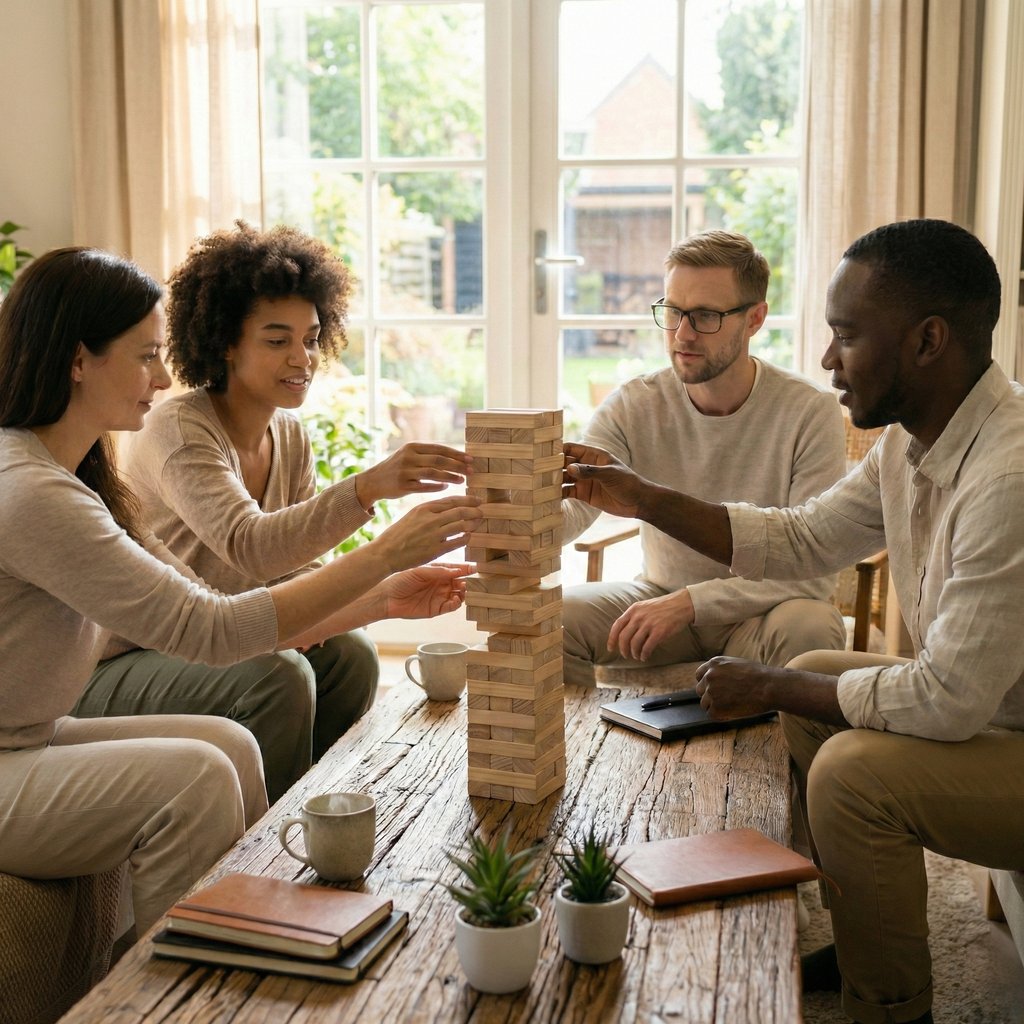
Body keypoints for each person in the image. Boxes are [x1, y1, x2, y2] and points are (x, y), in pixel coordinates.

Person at [564, 219, 1024, 1024]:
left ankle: (891, 1009)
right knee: (816, 681)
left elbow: (948, 699)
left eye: (847, 335)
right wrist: (641, 497)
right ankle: (864, 933)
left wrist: (766, 682)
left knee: (849, 772)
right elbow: (802, 535)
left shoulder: (1009, 475)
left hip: (1009, 737)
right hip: (996, 717)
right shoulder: (914, 444)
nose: (827, 358)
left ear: (926, 341)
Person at [0, 246, 480, 935]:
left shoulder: (77, 476)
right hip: (16, 747)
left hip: (31, 734)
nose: (162, 378)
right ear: (79, 360)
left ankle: (268, 919)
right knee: (198, 775)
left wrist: (385, 593)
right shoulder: (35, 491)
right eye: (143, 356)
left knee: (230, 745)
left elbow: (209, 606)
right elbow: (216, 626)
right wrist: (379, 554)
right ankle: (173, 995)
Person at [73, 223, 473, 802]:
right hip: (133, 658)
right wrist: (369, 490)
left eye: (310, 339)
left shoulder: (290, 436)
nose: (301, 357)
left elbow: (294, 582)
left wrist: (387, 594)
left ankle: (325, 808)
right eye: (277, 339)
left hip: (223, 634)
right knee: (278, 675)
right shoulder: (180, 430)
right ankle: (271, 852)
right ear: (226, 342)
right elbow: (251, 546)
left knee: (352, 655)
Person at [560, 230, 847, 686]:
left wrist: (693, 602)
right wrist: (507, 526)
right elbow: (576, 504)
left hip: (764, 612)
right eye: (673, 311)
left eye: (706, 316)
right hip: (658, 595)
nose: (682, 334)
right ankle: (578, 756)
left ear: (755, 319)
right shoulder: (634, 404)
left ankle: (788, 760)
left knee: (811, 625)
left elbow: (813, 572)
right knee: (552, 620)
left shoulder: (809, 412)